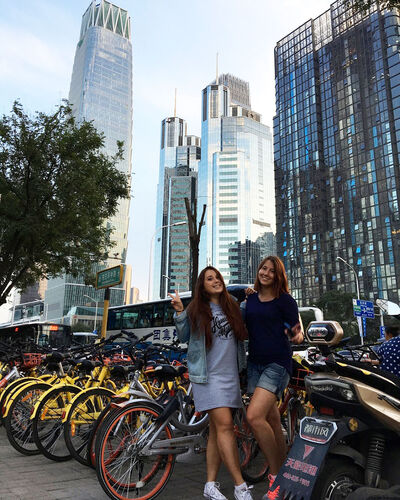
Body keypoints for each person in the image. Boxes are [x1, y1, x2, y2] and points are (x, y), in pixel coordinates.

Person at [169, 266, 254, 500]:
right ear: (202, 286)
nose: (215, 281)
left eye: (217, 277)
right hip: (207, 377)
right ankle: (240, 486)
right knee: (226, 425)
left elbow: (245, 323)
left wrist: (249, 297)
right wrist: (179, 311)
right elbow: (184, 335)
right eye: (209, 278)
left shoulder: (232, 307)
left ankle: (210, 485)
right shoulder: (197, 308)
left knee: (217, 431)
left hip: (230, 376)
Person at [241, 256, 304, 500]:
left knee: (254, 416)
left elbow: (295, 331)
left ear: (278, 276)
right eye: (263, 268)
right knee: (272, 419)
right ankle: (285, 475)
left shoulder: (285, 300)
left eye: (271, 271)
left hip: (277, 364)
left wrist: (295, 334)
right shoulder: (252, 299)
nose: (266, 273)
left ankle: (276, 480)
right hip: (255, 363)